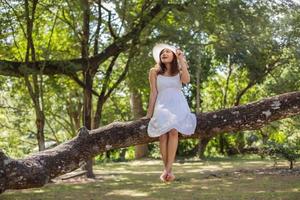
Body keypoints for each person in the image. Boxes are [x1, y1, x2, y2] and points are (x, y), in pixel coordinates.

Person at [145, 43, 197, 182]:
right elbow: (153, 93)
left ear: (174, 55)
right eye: (162, 52)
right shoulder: (154, 72)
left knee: (173, 131)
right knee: (162, 135)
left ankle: (167, 171)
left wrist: (182, 60)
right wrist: (149, 114)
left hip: (178, 105)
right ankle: (168, 170)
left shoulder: (179, 72)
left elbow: (187, 80)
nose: (164, 53)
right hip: (162, 105)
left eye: (168, 51)